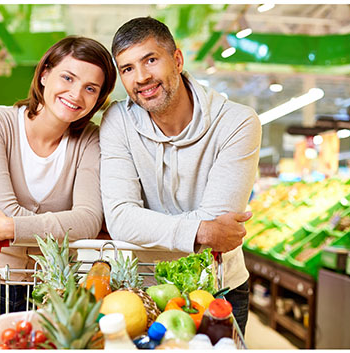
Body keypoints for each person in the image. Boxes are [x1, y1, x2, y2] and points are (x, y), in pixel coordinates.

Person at [100, 17, 261, 334]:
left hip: (216, 289)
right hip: (140, 292)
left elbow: (220, 220)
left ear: (177, 59)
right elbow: (120, 217)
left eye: (150, 60)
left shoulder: (237, 122)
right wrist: (202, 229)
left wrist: (148, 226)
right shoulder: (117, 120)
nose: (142, 77)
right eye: (128, 68)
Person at [0, 36, 116, 349]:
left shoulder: (91, 141)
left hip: (52, 295)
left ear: (98, 99)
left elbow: (87, 220)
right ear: (45, 75)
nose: (76, 94)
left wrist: (13, 227)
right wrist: (56, 226)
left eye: (90, 88)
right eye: (67, 78)